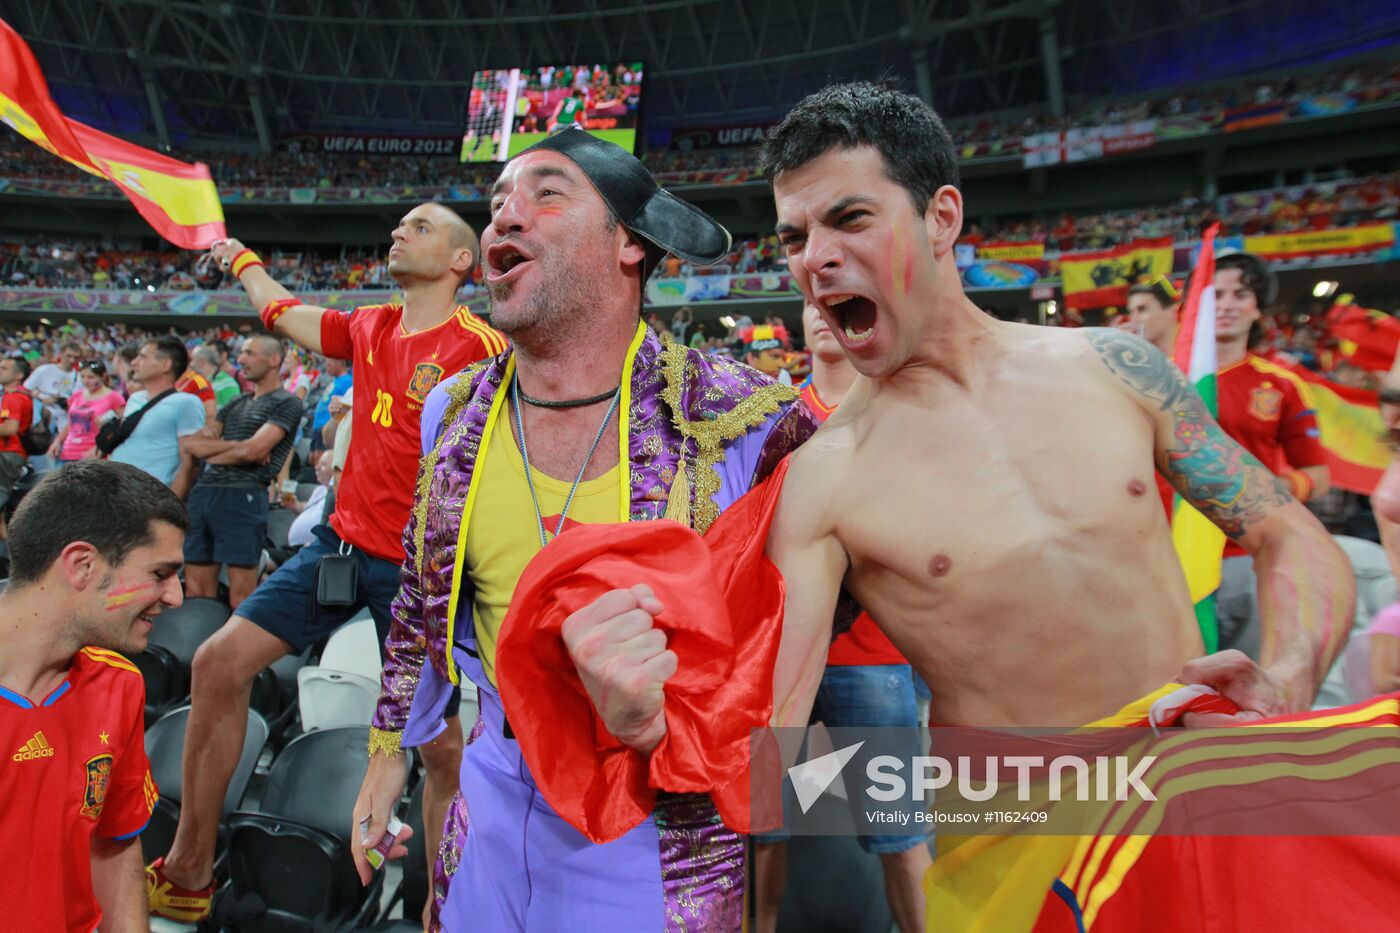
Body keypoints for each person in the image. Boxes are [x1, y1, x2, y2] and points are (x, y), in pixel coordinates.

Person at [567, 82, 1353, 930]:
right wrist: (649, 722)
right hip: (1020, 865)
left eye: (851, 219)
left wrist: (1287, 676)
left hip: (1206, 811)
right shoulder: (822, 482)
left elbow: (1288, 534)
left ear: (942, 217)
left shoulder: (1116, 367)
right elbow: (763, 772)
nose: (814, 258)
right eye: (796, 236)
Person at [358, 129, 817, 930]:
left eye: (545, 193)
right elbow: (419, 593)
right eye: (498, 201)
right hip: (492, 797)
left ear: (630, 243)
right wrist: (388, 749)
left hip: (657, 828)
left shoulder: (743, 422)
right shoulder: (455, 409)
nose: (504, 218)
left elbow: (806, 649)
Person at [146, 202, 505, 923]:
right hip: (335, 548)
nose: (400, 231)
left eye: (422, 226)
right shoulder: (367, 324)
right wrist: (243, 256)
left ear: (464, 261)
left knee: (440, 749)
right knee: (217, 664)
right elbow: (278, 310)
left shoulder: (485, 346)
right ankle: (188, 867)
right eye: (400, 223)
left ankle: (443, 906)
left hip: (417, 575)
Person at [753, 301, 930, 933]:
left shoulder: (897, 411)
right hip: (780, 656)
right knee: (761, 827)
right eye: (812, 305)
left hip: (872, 656)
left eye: (842, 307)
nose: (824, 316)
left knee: (899, 831)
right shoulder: (768, 417)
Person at [0, 460, 187, 933]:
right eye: (161, 572)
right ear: (82, 565)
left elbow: (115, 841)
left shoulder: (119, 683)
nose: (176, 597)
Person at [1212, 250, 1331, 659]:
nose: (1226, 305)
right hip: (1165, 560)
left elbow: (1318, 474)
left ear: (1257, 307)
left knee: (1241, 694)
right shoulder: (1162, 377)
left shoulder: (1281, 385)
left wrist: (1278, 489)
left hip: (1245, 561)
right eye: (1216, 294)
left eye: (1239, 294)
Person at [177, 335, 304, 609]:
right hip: (204, 495)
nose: (241, 359)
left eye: (249, 353)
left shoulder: (287, 402)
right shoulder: (235, 402)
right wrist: (239, 449)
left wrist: (220, 449)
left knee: (242, 596)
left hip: (243, 497)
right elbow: (192, 445)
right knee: (195, 592)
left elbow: (254, 452)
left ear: (273, 360)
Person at [109, 337, 207, 491]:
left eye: (143, 357)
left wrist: (171, 509)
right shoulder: (135, 399)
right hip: (116, 492)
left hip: (149, 499)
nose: (134, 362)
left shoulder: (186, 403)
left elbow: (189, 464)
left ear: (165, 365)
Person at [50, 360, 125, 463]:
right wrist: (58, 441)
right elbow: (71, 423)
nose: (86, 381)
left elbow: (119, 427)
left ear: (103, 376)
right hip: (68, 452)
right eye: (83, 377)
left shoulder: (114, 397)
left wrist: (101, 447)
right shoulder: (76, 396)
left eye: (91, 377)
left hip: (93, 455)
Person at [0, 356, 36, 542]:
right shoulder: (16, 395)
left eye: (4, 368)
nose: (0, 369)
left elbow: (11, 428)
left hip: (7, 454)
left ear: (18, 375)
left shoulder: (14, 398)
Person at [308, 356, 352, 466]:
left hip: (328, 426)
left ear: (342, 361)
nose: (327, 363)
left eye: (331, 359)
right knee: (314, 461)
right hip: (319, 427)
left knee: (321, 464)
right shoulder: (336, 380)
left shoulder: (348, 381)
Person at [1125, 274, 1181, 356]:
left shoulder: (1198, 353)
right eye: (1131, 312)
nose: (1133, 320)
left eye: (1142, 309)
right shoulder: (1135, 361)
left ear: (1173, 310)